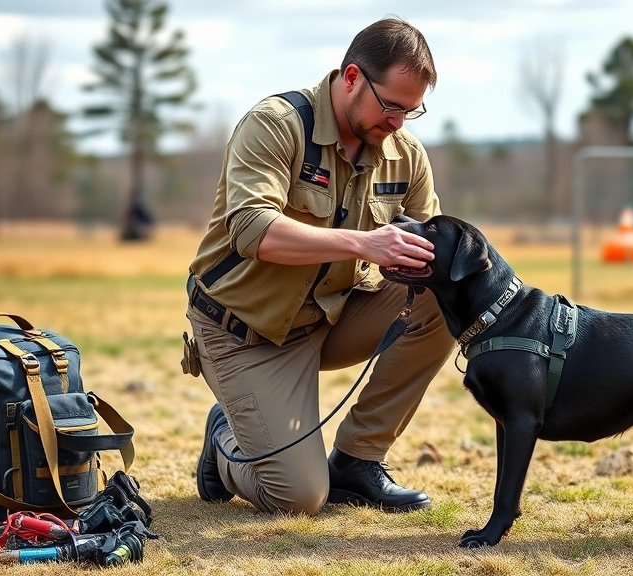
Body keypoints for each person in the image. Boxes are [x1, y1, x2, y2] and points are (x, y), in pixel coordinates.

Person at [185, 16, 454, 516]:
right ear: (351, 77)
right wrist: (364, 244)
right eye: (391, 106)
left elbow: (432, 248)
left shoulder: (405, 155)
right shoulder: (275, 125)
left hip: (327, 319)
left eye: (411, 112)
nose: (397, 123)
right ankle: (224, 439)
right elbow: (251, 230)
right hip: (244, 331)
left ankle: (357, 460)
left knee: (442, 297)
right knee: (299, 497)